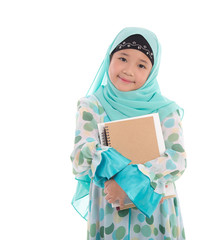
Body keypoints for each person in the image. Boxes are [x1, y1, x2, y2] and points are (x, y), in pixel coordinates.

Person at [70, 27, 186, 240]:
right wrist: (124, 180)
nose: (129, 70)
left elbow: (177, 159)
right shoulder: (92, 106)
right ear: (109, 58)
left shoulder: (166, 110)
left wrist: (132, 182)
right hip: (111, 212)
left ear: (152, 71)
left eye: (141, 64)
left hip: (156, 215)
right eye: (122, 58)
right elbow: (81, 156)